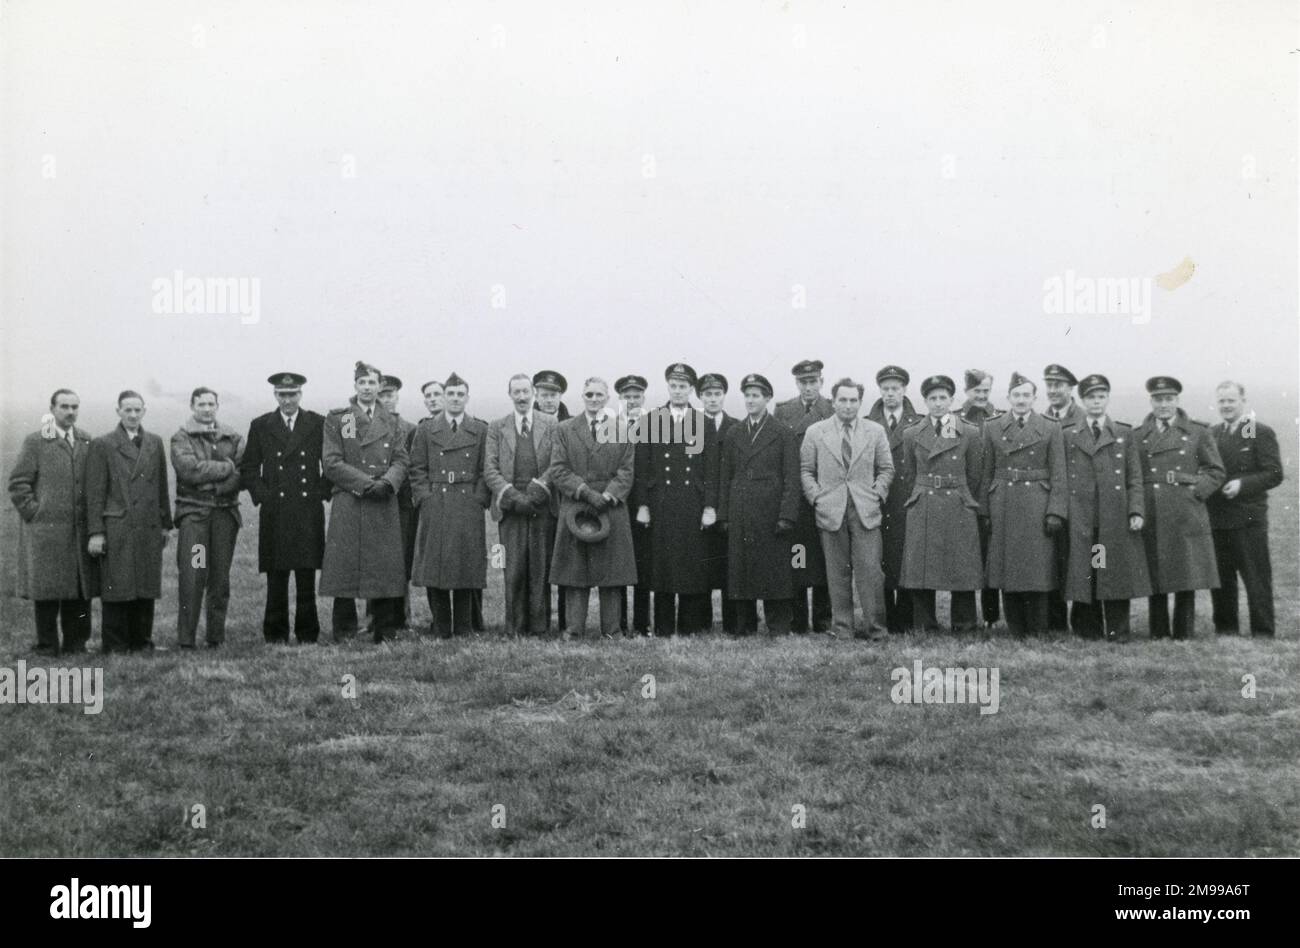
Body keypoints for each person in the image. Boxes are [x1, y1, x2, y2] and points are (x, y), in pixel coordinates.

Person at [319, 361, 409, 642]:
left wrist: (387, 483)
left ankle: (384, 628)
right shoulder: (343, 418)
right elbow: (333, 461)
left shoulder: (392, 421)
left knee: (384, 566)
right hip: (351, 498)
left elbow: (401, 459)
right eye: (362, 383)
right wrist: (365, 484)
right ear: (355, 386)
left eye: (372, 383)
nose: (367, 388)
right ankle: (344, 629)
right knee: (344, 564)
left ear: (380, 386)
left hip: (383, 499)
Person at [1132, 376, 1226, 639]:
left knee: (1187, 574)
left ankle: (1184, 632)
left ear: (1177, 400)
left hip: (1186, 510)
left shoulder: (1198, 432)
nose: (1164, 405)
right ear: (1151, 401)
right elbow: (1134, 475)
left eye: (1169, 399)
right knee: (1156, 572)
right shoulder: (1138, 435)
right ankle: (1158, 632)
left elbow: (1216, 471)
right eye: (1158, 399)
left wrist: (1197, 492)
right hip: (1154, 510)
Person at [800, 378, 894, 639]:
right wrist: (817, 498)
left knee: (870, 571)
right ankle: (843, 629)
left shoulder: (874, 431)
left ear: (860, 402)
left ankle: (876, 628)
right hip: (830, 511)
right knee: (837, 572)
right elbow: (807, 471)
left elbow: (886, 468)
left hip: (865, 510)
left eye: (854, 400)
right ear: (833, 401)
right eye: (843, 399)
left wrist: (877, 494)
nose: (848, 405)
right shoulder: (816, 432)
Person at [8, 388, 98, 655]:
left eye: (74, 407)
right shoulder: (36, 441)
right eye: (64, 406)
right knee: (47, 592)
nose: (70, 412)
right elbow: (18, 483)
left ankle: (76, 644)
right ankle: (47, 645)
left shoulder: (86, 441)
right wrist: (35, 513)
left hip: (78, 532)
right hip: (46, 532)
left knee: (79, 589)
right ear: (52, 409)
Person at [240, 372, 328, 644]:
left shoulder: (317, 423)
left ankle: (307, 633)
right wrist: (264, 496)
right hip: (275, 511)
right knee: (276, 576)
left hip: (306, 509)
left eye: (292, 394)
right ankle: (275, 633)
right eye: (282, 395)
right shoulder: (261, 425)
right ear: (275, 396)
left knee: (305, 574)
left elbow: (332, 462)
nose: (287, 400)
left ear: (300, 395)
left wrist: (319, 492)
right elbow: (250, 467)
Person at [1060, 374, 1150, 641]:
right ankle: (1087, 628)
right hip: (1082, 517)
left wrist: (1136, 510)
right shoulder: (1068, 435)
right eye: (1090, 397)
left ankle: (1117, 628)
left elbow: (1134, 477)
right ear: (1082, 401)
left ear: (1108, 399)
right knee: (1085, 570)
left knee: (1113, 571)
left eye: (1101, 397)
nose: (1096, 402)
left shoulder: (1123, 433)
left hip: (1113, 518)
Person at [633, 363, 719, 636]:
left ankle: (690, 626)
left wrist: (709, 506)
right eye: (674, 386)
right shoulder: (652, 420)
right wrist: (643, 504)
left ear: (691, 390)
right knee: (663, 566)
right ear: (668, 387)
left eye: (683, 387)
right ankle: (664, 626)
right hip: (661, 504)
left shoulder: (704, 422)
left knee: (691, 565)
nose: (679, 391)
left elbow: (711, 469)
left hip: (692, 504)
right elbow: (642, 467)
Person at [979, 372, 1068, 637]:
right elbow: (987, 472)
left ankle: (1038, 626)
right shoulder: (993, 426)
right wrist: (985, 510)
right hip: (1003, 501)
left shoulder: (1051, 427)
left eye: (1026, 395)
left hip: (1037, 502)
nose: (1021, 400)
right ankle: (1016, 625)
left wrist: (1055, 510)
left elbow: (1059, 474)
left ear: (1034, 398)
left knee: (1037, 567)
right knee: (1008, 567)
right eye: (1016, 395)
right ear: (1008, 398)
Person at [548, 378, 637, 637]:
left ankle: (612, 629)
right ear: (582, 397)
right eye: (589, 394)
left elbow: (627, 471)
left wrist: (608, 495)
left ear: (608, 398)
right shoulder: (565, 429)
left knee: (611, 572)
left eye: (599, 394)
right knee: (576, 571)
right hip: (576, 505)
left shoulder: (623, 429)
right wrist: (585, 492)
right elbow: (558, 469)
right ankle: (574, 630)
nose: (594, 399)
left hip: (611, 507)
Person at [85, 390, 172, 653]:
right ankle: (115, 644)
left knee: (145, 584)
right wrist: (96, 532)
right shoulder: (103, 444)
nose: (133, 415)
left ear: (144, 411)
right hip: (118, 525)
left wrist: (165, 523)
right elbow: (95, 491)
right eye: (127, 410)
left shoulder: (155, 442)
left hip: (148, 524)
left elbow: (160, 487)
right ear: (118, 411)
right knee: (117, 584)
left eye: (137, 410)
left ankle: (142, 641)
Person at [716, 373, 800, 635]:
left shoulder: (783, 433)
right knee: (742, 570)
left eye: (756, 396)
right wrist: (724, 515)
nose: (750, 401)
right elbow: (725, 477)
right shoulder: (734, 433)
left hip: (771, 511)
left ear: (767, 398)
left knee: (775, 570)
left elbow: (792, 477)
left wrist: (787, 514)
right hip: (741, 510)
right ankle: (744, 626)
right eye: (747, 396)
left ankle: (778, 625)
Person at [898, 375, 983, 633]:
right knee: (921, 567)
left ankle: (964, 623)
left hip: (957, 501)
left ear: (952, 400)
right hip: (924, 501)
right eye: (932, 398)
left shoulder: (969, 431)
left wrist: (962, 494)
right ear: (924, 401)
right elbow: (910, 473)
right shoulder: (911, 434)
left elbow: (975, 473)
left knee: (962, 565)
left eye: (942, 398)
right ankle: (925, 623)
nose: (937, 403)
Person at [410, 372, 490, 637]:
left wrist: (479, 497)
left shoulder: (480, 429)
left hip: (467, 501)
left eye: (460, 395)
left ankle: (465, 626)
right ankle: (441, 625)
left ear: (467, 398)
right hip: (437, 501)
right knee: (436, 564)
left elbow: (484, 469)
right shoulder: (426, 429)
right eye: (450, 394)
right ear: (443, 398)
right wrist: (425, 498)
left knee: (465, 565)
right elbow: (417, 468)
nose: (455, 399)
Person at [170, 387, 243, 649]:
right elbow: (190, 471)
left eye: (211, 403)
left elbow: (242, 473)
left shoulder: (232, 436)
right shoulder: (181, 437)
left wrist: (217, 485)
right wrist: (226, 468)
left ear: (217, 405)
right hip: (196, 517)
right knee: (194, 574)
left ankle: (216, 636)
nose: (207, 408)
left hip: (224, 516)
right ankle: (187, 638)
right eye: (201, 404)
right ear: (192, 406)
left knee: (220, 578)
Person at [1208, 381, 1283, 637]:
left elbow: (1274, 473)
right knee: (1222, 579)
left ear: (1243, 401)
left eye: (1231, 400)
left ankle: (1262, 631)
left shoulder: (1257, 430)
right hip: (1217, 518)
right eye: (1222, 401)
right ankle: (1226, 629)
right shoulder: (1213, 433)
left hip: (1248, 517)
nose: (1226, 406)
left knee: (1256, 578)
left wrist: (1243, 484)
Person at [484, 374, 557, 636]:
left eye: (526, 391)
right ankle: (514, 626)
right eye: (517, 392)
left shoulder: (551, 423)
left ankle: (539, 626)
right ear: (510, 395)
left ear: (534, 393)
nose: (522, 397)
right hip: (511, 508)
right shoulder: (497, 427)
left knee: (539, 567)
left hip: (542, 506)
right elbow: (490, 469)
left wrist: (537, 491)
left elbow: (557, 463)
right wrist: (513, 496)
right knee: (513, 567)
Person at [774, 359, 834, 633]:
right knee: (797, 559)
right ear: (797, 384)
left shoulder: (833, 409)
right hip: (797, 499)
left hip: (825, 496)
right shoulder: (784, 411)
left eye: (813, 382)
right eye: (803, 382)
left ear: (821, 382)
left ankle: (823, 620)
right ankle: (798, 620)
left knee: (824, 561)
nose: (808, 387)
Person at [865, 365, 922, 633]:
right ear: (879, 390)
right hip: (877, 500)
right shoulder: (867, 422)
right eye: (885, 389)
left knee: (905, 558)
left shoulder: (918, 422)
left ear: (904, 390)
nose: (890, 394)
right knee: (880, 559)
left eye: (895, 389)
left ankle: (906, 617)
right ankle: (883, 614)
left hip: (906, 500)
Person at [957, 368, 1004, 628]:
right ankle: (963, 617)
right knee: (963, 557)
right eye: (977, 391)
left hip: (992, 499)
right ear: (966, 391)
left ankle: (990, 616)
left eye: (986, 390)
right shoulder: (955, 420)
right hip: (963, 498)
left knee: (990, 558)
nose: (982, 396)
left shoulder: (1000, 419)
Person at [1042, 364, 1083, 632]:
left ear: (1070, 388)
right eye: (1050, 385)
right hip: (1050, 502)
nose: (1054, 390)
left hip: (1080, 504)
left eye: (1059, 385)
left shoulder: (1083, 418)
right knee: (1052, 561)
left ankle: (1083, 622)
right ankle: (1055, 621)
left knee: (1081, 563)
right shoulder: (1041, 420)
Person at [698, 372, 738, 633]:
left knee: (729, 564)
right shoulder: (692, 427)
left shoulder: (736, 427)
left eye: (717, 394)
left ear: (724, 395)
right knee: (701, 564)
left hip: (729, 506)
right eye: (707, 394)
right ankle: (701, 621)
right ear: (700, 397)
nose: (713, 399)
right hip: (698, 506)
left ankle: (733, 623)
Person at [378, 375, 419, 627]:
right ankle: (375, 616)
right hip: (372, 500)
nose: (385, 400)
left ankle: (402, 614)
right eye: (380, 395)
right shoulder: (356, 424)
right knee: (375, 558)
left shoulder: (409, 428)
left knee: (400, 558)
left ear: (397, 397)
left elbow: (412, 467)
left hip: (401, 503)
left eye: (389, 395)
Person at [615, 374, 653, 635]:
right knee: (617, 564)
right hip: (618, 504)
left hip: (644, 505)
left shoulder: (655, 426)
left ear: (644, 398)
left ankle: (642, 624)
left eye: (636, 396)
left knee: (643, 565)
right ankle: (617, 623)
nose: (631, 401)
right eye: (627, 397)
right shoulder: (611, 426)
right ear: (620, 399)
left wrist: (646, 504)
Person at [533, 368, 570, 629]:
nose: (549, 400)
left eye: (554, 394)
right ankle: (540, 620)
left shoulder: (571, 423)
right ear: (536, 394)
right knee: (539, 565)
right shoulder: (526, 422)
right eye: (544, 394)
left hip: (565, 503)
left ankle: (567, 621)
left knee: (567, 564)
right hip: (537, 505)